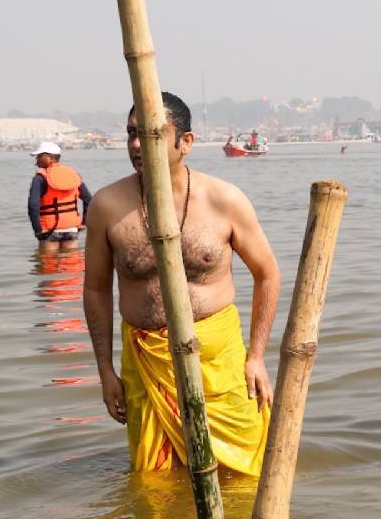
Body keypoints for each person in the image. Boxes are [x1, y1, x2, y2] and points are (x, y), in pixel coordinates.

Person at [83, 93, 281, 475]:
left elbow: (267, 273)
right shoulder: (108, 205)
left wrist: (256, 356)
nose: (137, 145)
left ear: (185, 142)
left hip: (217, 362)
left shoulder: (224, 199)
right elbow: (95, 290)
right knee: (156, 487)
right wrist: (105, 371)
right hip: (146, 362)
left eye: (151, 134)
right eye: (130, 134)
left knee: (241, 477)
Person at [27, 141, 92, 251]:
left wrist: (38, 229)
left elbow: (33, 206)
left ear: (50, 157)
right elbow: (89, 200)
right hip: (71, 228)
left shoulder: (39, 178)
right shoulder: (73, 175)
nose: (36, 159)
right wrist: (84, 222)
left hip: (49, 229)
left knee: (49, 265)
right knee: (71, 264)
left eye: (39, 156)